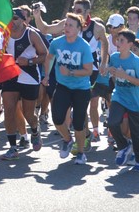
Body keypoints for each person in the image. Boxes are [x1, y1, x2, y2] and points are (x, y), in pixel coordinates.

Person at [43, 12, 95, 165]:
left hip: (81, 88)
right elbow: (49, 57)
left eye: (71, 25)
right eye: (65, 24)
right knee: (57, 118)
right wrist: (46, 75)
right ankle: (67, 139)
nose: (66, 27)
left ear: (79, 29)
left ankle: (80, 153)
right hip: (63, 86)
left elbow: (89, 71)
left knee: (78, 123)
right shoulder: (56, 43)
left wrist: (71, 72)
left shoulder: (84, 46)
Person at [0, 5, 47, 159]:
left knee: (28, 113)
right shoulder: (3, 34)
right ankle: (12, 147)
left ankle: (35, 129)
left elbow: (44, 54)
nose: (11, 22)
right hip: (10, 75)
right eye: (9, 19)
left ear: (23, 20)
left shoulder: (31, 34)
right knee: (9, 109)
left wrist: (30, 61)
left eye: (15, 18)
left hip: (29, 76)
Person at [105, 30, 139, 172]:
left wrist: (125, 76)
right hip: (119, 96)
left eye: (122, 40)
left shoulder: (137, 62)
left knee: (135, 132)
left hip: (137, 100)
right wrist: (109, 70)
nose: (118, 43)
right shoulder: (114, 57)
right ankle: (123, 146)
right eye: (117, 40)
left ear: (130, 44)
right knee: (112, 122)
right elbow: (111, 73)